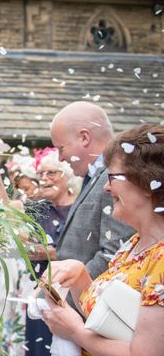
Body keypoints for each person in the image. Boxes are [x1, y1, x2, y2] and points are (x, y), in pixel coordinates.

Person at [42, 123, 164, 356]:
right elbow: (114, 320)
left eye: (115, 178)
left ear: (147, 182)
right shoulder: (133, 244)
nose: (107, 186)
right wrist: (81, 277)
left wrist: (74, 332)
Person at [22, 149, 81, 356]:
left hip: (64, 299)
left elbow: (72, 252)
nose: (44, 180)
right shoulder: (37, 208)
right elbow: (29, 248)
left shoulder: (79, 207)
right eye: (41, 174)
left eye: (51, 174)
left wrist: (41, 249)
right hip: (38, 297)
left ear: (67, 176)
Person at [51, 101, 134, 282]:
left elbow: (113, 254)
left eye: (61, 148)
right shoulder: (95, 176)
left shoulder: (115, 178)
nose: (60, 157)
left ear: (84, 138)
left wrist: (59, 296)